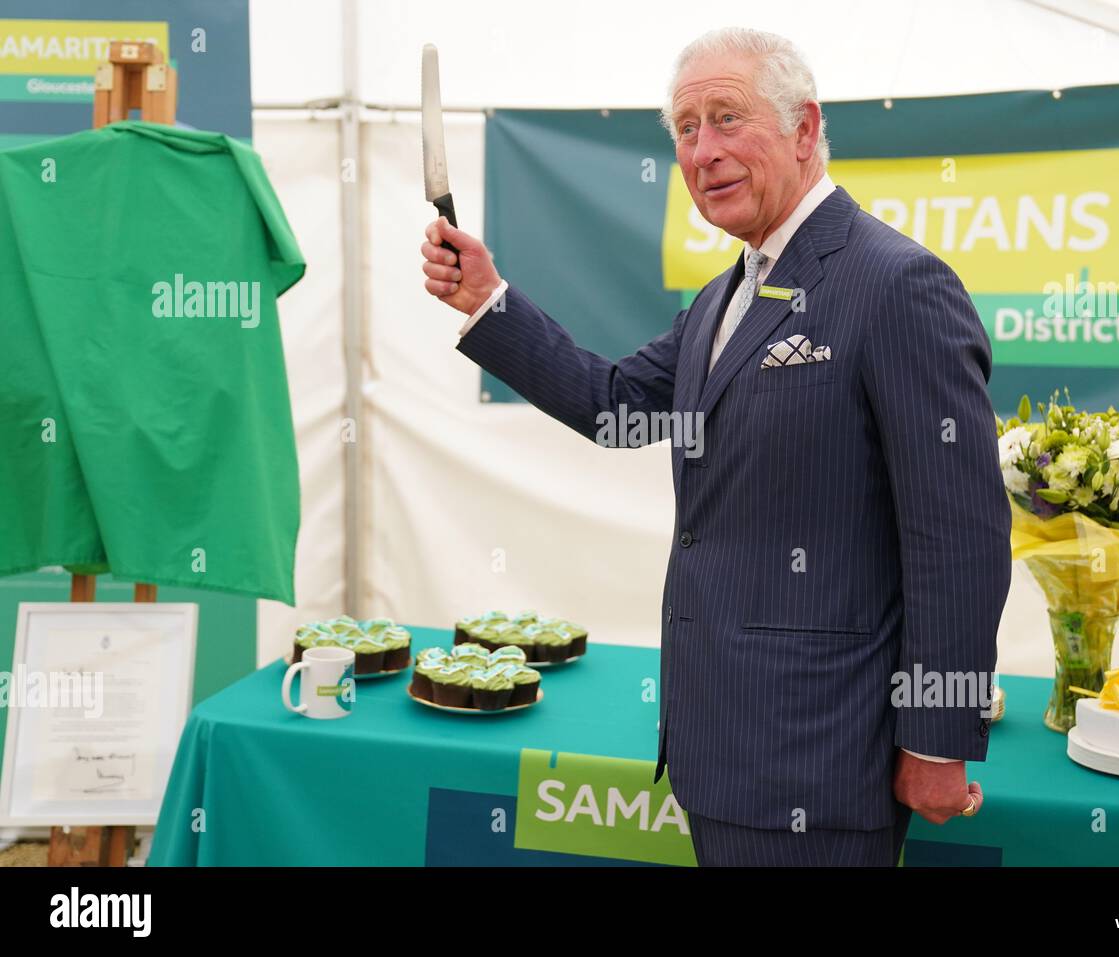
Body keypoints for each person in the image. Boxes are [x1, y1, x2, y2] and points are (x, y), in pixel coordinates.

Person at [421, 27, 1011, 867]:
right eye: (686, 130)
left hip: (823, 762)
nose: (703, 151)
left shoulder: (895, 283)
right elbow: (611, 404)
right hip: (719, 756)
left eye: (727, 118)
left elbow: (960, 534)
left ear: (805, 130)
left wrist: (938, 738)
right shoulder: (720, 299)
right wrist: (487, 300)